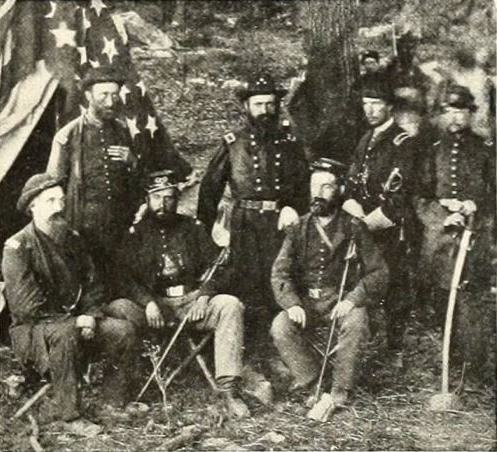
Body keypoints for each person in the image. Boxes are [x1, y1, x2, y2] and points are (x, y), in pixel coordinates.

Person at [110, 169, 252, 419]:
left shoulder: (193, 228)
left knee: (230, 305)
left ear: (177, 199)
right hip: (154, 308)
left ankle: (229, 390)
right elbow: (123, 278)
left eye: (168, 198)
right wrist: (147, 302)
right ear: (147, 200)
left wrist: (204, 295)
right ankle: (123, 389)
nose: (162, 204)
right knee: (119, 307)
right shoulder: (135, 234)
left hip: (191, 303)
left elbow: (220, 266)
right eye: (156, 198)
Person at [2, 173, 138, 435]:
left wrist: (90, 315)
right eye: (50, 201)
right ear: (32, 207)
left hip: (78, 321)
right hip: (33, 332)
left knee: (123, 331)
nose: (59, 207)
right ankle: (70, 416)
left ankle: (114, 400)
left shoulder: (72, 238)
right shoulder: (18, 247)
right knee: (66, 335)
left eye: (61, 200)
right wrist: (76, 321)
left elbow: (92, 283)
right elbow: (25, 306)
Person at [46, 66, 190, 289]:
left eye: (115, 95)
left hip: (118, 226)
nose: (111, 102)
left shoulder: (122, 131)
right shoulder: (68, 136)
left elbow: (137, 183)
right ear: (88, 96)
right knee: (88, 283)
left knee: (121, 282)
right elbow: (52, 187)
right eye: (103, 94)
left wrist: (132, 162)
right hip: (82, 227)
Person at [270, 158, 388, 419]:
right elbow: (280, 272)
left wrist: (352, 299)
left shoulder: (354, 227)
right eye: (314, 186)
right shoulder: (298, 228)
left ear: (340, 190)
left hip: (340, 300)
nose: (318, 194)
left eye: (326, 187)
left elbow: (379, 272)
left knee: (356, 321)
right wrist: (292, 303)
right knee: (280, 326)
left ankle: (340, 391)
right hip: (307, 303)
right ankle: (313, 382)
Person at [197, 72, 310, 338]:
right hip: (244, 224)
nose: (265, 111)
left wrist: (292, 207)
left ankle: (280, 334)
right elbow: (210, 188)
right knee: (244, 280)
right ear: (246, 106)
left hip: (279, 223)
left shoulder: (290, 144)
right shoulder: (233, 143)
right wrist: (204, 232)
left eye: (270, 104)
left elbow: (305, 185)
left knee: (279, 276)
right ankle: (248, 338)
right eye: (258, 104)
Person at [415, 85, 495, 373]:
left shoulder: (486, 150)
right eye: (449, 111)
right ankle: (451, 359)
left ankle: (474, 366)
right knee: (442, 296)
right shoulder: (433, 150)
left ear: (470, 113)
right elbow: (420, 196)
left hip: (475, 236)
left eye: (460, 111)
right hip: (441, 238)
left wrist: (477, 205)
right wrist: (442, 216)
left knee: (472, 298)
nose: (455, 117)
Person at [343, 77, 420, 367]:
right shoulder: (365, 139)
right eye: (366, 104)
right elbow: (353, 181)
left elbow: (402, 194)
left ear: (390, 107)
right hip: (363, 222)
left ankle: (395, 347)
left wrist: (369, 222)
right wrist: (352, 207)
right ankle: (367, 340)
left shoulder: (403, 143)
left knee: (395, 285)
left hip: (389, 226)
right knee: (365, 280)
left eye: (376, 104)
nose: (370, 110)